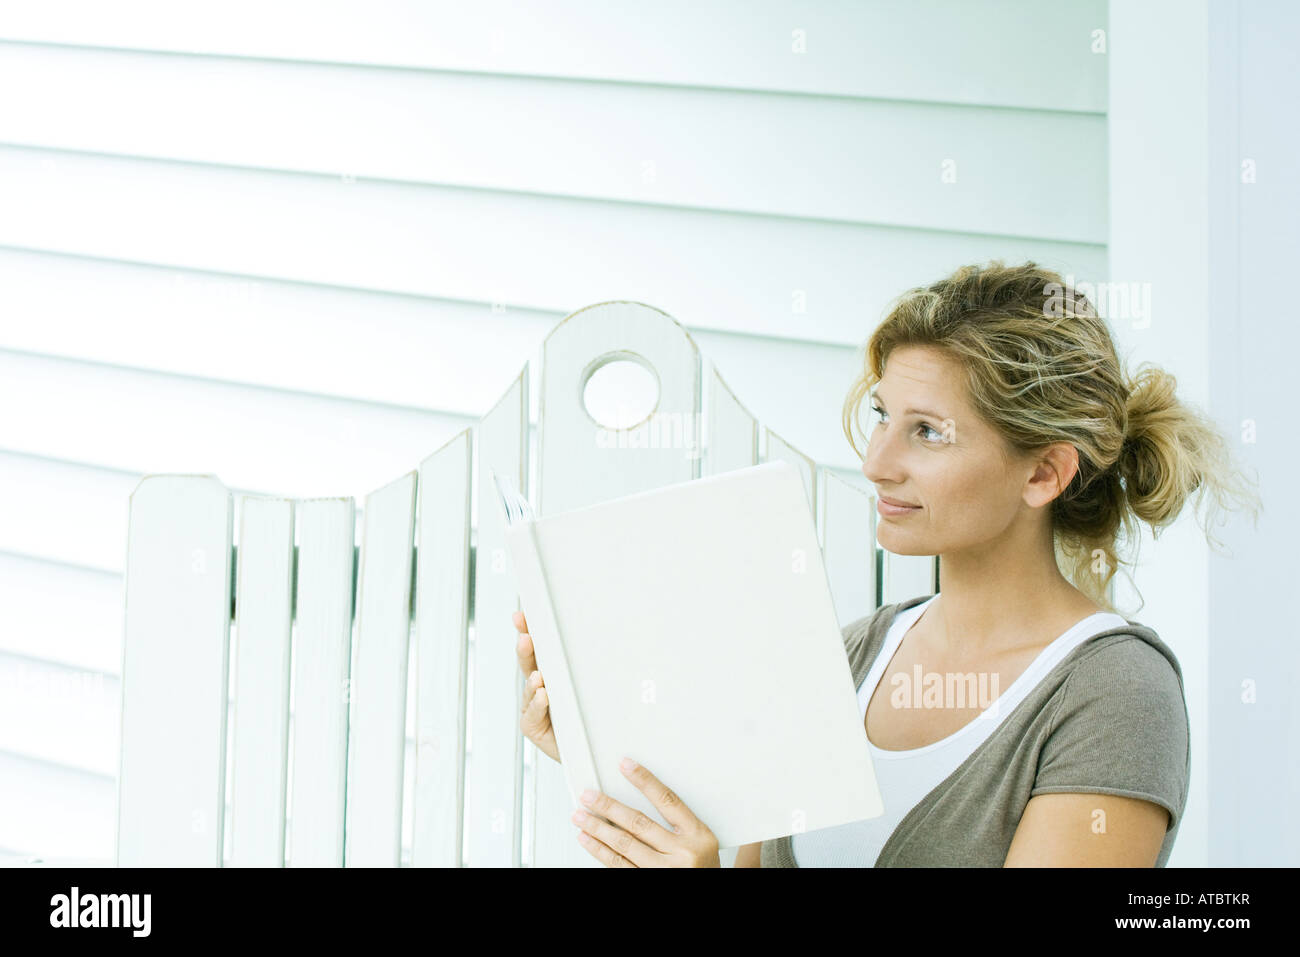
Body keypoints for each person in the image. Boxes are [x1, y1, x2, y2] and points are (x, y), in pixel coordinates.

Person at [512, 260, 1262, 867]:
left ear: (1043, 474)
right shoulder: (850, 655)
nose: (876, 462)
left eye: (928, 432)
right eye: (881, 415)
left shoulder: (1114, 695)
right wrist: (597, 737)